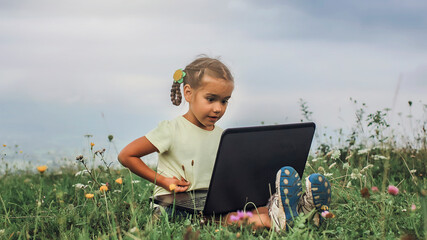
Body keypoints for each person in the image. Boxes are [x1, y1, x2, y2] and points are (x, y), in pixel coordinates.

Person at [118, 55, 331, 231]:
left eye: (224, 101)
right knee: (232, 218)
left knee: (255, 207)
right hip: (173, 206)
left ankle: (302, 212)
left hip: (211, 201)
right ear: (189, 93)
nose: (218, 108)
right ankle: (275, 220)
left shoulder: (222, 136)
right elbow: (127, 155)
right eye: (211, 99)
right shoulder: (171, 129)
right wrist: (163, 181)